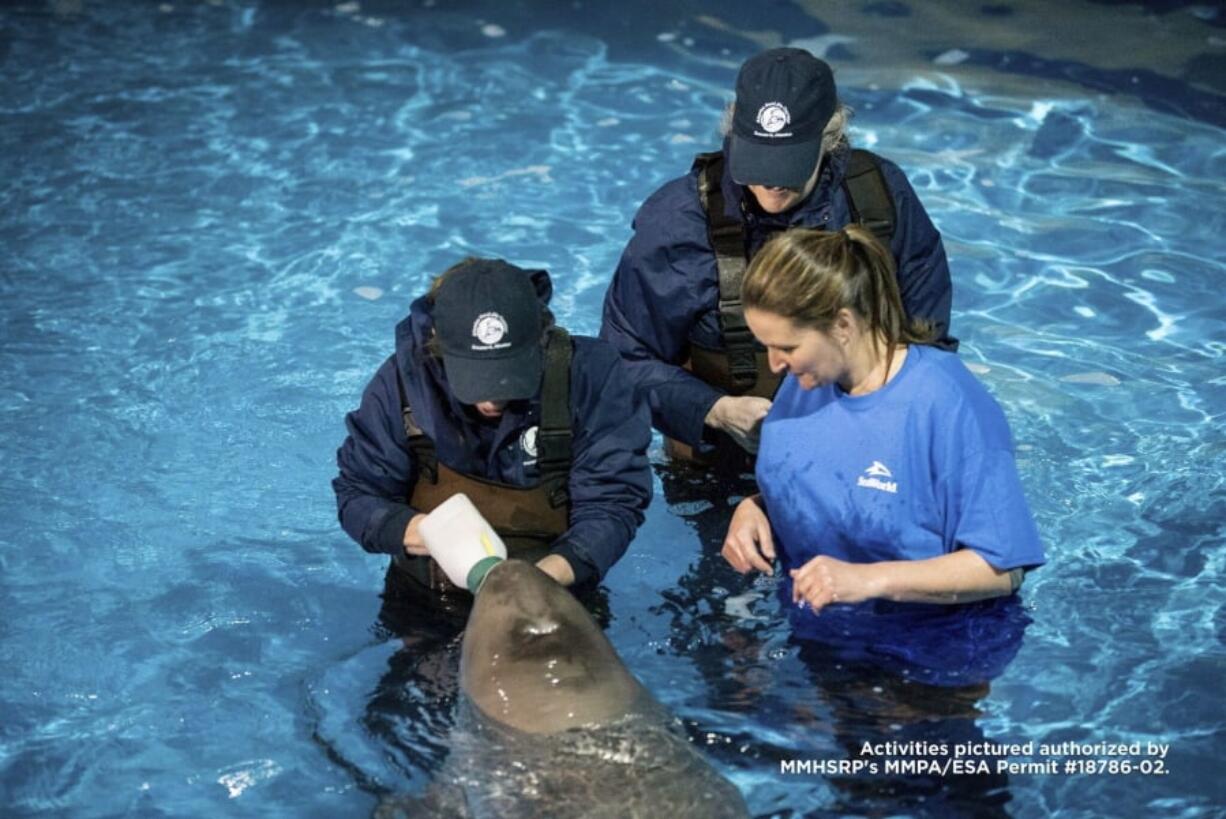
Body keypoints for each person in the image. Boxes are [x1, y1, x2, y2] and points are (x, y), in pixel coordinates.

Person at [600, 47, 956, 465]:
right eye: (759, 159)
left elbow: (927, 340)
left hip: (861, 448)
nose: (770, 181)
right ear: (735, 132)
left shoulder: (879, 199)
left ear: (831, 136)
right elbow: (622, 360)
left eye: (788, 162)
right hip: (723, 457)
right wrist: (714, 410)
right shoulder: (677, 222)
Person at [720, 226, 1044, 620]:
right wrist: (755, 509)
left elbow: (1003, 568)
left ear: (843, 325)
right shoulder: (805, 382)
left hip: (935, 641)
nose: (774, 365)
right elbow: (830, 483)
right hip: (819, 621)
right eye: (765, 345)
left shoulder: (947, 403)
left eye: (787, 347)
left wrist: (869, 580)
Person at [333, 258, 652, 606]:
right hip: (428, 594)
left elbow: (612, 501)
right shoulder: (400, 385)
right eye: (477, 380)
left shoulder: (592, 376)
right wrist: (426, 532)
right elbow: (358, 492)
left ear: (539, 338)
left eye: (509, 375)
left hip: (554, 590)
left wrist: (541, 582)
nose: (493, 400)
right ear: (438, 343)